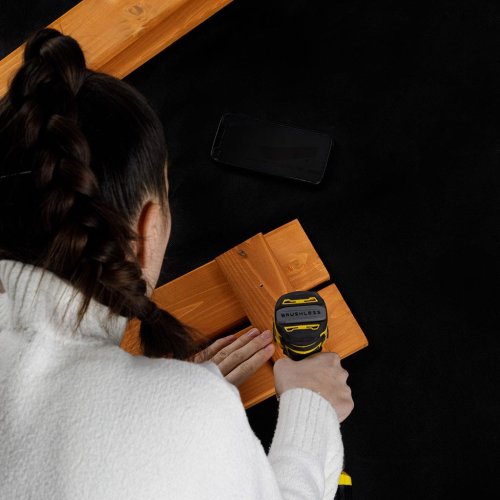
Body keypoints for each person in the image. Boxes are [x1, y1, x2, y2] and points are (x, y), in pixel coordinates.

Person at [0, 28, 354, 499]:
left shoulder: (186, 411)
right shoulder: (191, 414)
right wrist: (312, 409)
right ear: (147, 230)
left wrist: (162, 404)